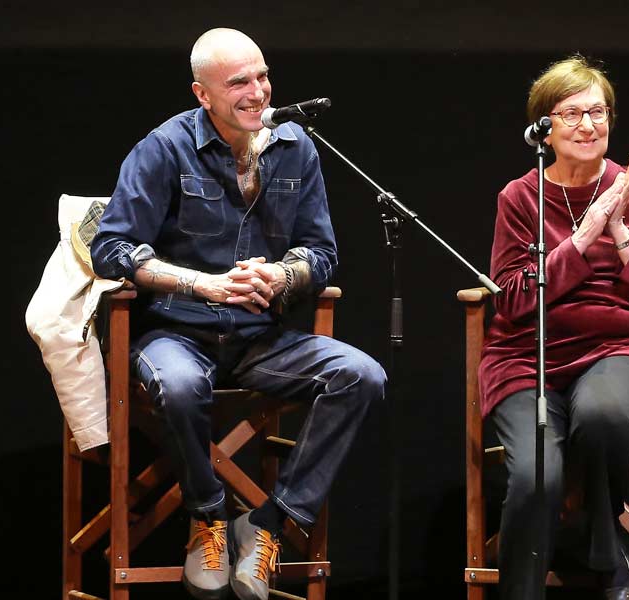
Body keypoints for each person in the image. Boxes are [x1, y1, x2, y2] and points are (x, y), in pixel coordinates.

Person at [90, 28, 386, 600]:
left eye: (263, 76)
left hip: (260, 338)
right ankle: (208, 517)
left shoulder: (295, 144)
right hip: (175, 333)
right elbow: (112, 248)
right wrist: (205, 285)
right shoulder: (163, 148)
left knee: (362, 375)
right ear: (202, 95)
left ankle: (271, 522)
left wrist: (282, 275)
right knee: (177, 387)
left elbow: (321, 253)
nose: (258, 91)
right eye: (238, 83)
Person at [479, 55, 629, 600]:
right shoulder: (520, 197)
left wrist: (617, 232)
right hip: (526, 357)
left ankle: (601, 544)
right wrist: (579, 239)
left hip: (617, 347)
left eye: (598, 112)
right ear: (544, 129)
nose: (589, 126)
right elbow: (515, 300)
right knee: (535, 477)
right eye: (572, 114)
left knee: (602, 413)